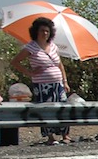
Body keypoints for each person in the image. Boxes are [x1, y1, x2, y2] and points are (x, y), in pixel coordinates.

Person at [10, 17, 71, 145]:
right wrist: (29, 72)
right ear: (36, 31)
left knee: (63, 107)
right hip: (42, 85)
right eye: (42, 31)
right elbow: (15, 62)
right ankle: (50, 136)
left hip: (57, 84)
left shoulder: (53, 47)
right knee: (46, 110)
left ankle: (65, 135)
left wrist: (65, 81)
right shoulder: (31, 47)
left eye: (47, 31)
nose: (45, 34)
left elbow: (60, 65)